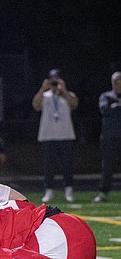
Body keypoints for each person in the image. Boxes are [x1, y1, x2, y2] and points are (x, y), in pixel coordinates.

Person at [34, 69, 78, 203]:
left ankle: (69, 189)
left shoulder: (68, 95)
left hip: (65, 135)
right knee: (49, 166)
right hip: (48, 135)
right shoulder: (45, 96)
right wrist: (43, 89)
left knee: (67, 165)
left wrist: (63, 90)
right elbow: (36, 105)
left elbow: (74, 104)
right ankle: (48, 190)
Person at [94, 72, 121, 203]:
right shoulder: (106, 96)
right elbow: (105, 109)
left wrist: (115, 107)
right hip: (110, 137)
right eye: (116, 81)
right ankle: (103, 192)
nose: (119, 84)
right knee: (108, 166)